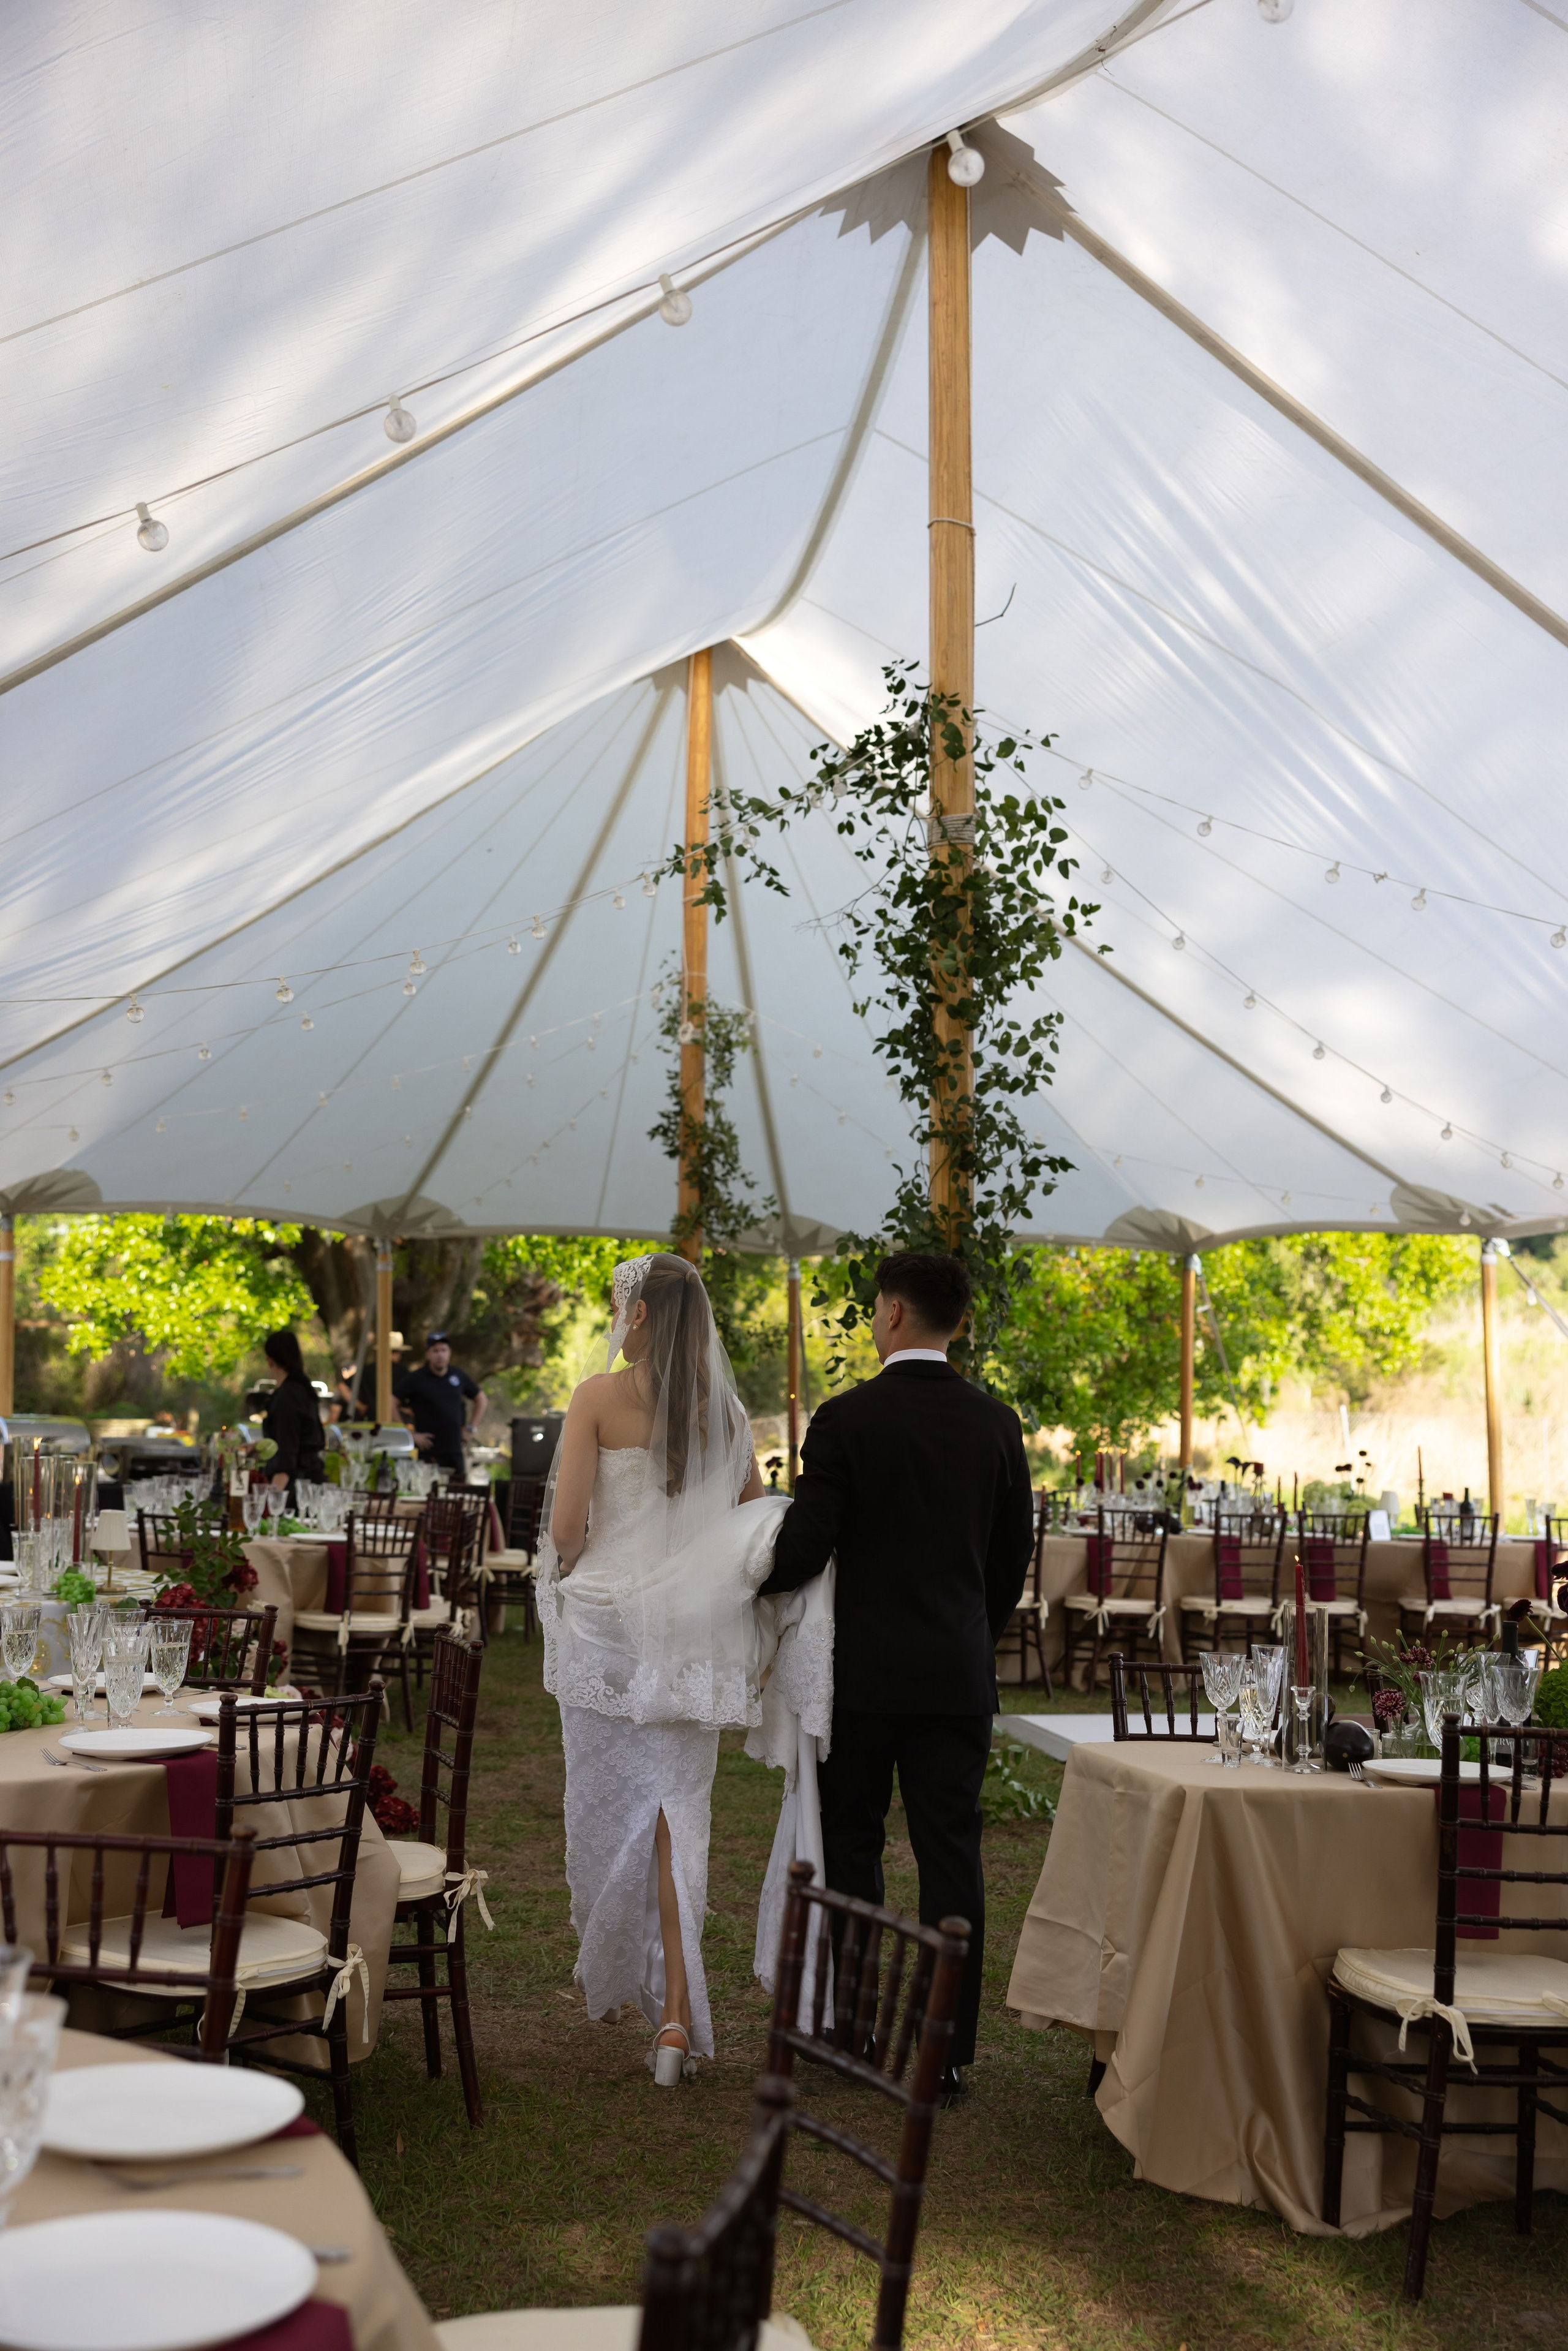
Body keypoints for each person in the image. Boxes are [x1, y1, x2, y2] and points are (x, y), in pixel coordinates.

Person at [760, 1250, 1035, 2104]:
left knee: (853, 1846)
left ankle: (855, 2025)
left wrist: (739, 1577)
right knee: (951, 1853)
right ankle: (946, 2052)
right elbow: (1010, 1556)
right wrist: (969, 1637)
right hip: (954, 1674)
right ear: (955, 1322)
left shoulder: (847, 1419)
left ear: (891, 1315)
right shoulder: (998, 1423)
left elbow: (806, 1547)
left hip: (863, 1678)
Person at [536, 1253, 780, 2087]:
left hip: (605, 1630)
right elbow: (754, 1529)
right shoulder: (727, 1410)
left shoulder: (598, 1396)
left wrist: (562, 1565)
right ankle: (674, 2014)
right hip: (689, 1641)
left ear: (639, 1316)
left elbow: (568, 1528)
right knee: (679, 1815)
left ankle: (618, 1971)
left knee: (607, 1800)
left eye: (619, 1303)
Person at [395, 1333, 484, 1474]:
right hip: (428, 1449)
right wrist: (409, 1434)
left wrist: (471, 1429)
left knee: (457, 1490)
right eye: (435, 1351)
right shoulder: (417, 1378)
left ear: (450, 1353)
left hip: (454, 1447)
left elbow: (481, 1399)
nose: (440, 1355)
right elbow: (391, 1401)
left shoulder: (458, 1376)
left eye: (443, 1350)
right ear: (428, 1355)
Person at [259, 1328, 326, 1498]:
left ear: (270, 1360)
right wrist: (257, 1448)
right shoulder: (303, 1390)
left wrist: (271, 1502)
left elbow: (287, 1456)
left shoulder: (287, 1397)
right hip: (312, 1484)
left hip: (294, 1491)